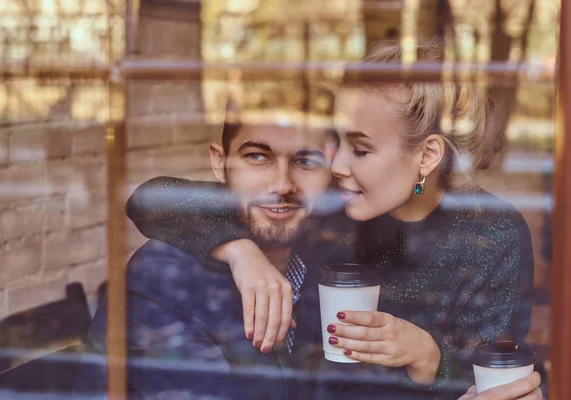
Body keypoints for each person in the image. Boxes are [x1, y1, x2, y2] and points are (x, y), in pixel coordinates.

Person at [125, 39, 537, 398]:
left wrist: (429, 357)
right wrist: (241, 251)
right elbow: (153, 197)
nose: (335, 164)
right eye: (336, 141)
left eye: (359, 149)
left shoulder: (492, 234)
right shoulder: (337, 204)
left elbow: (496, 375)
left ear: (427, 155)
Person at [73, 118, 338, 399]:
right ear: (219, 163)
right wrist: (240, 251)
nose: (283, 185)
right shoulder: (161, 282)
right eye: (257, 157)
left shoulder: (319, 254)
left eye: (307, 160)